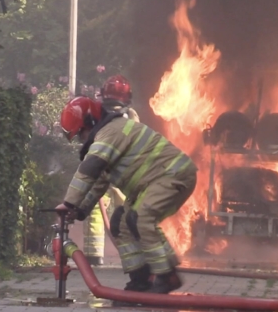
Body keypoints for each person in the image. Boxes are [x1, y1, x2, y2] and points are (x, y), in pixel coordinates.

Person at [55, 96, 197, 295]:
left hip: (173, 174)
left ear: (91, 123)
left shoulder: (111, 132)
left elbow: (90, 169)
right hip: (153, 182)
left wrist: (69, 203)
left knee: (141, 217)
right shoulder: (106, 138)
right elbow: (99, 183)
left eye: (81, 134)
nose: (81, 140)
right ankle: (140, 280)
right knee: (121, 222)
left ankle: (167, 276)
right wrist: (79, 210)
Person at [82, 75, 141, 266]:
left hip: (102, 169)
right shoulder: (131, 116)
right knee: (124, 214)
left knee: (95, 213)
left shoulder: (98, 115)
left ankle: (94, 255)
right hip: (123, 173)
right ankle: (130, 256)